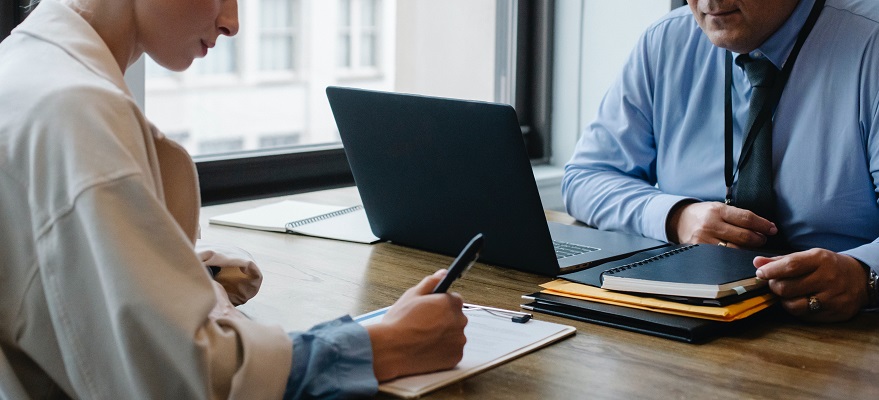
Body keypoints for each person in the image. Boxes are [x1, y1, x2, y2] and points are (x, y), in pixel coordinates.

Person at [0, 0, 467, 398]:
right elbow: (184, 380)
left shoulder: (25, 66)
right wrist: (386, 344)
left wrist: (174, 268)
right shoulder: (78, 111)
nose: (232, 21)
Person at [562, 0, 879, 322]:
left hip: (843, 327)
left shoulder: (872, 41)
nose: (710, 1)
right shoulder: (666, 40)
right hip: (690, 308)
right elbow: (587, 177)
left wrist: (864, 274)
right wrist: (677, 217)